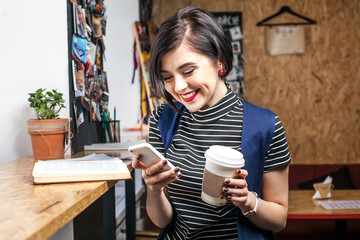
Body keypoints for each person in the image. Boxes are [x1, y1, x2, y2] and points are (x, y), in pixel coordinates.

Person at [132, 6, 291, 240]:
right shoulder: (161, 121)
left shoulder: (265, 125)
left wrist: (248, 201)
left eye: (188, 71)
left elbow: (279, 219)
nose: (178, 87)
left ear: (219, 61)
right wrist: (154, 190)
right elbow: (162, 220)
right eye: (167, 77)